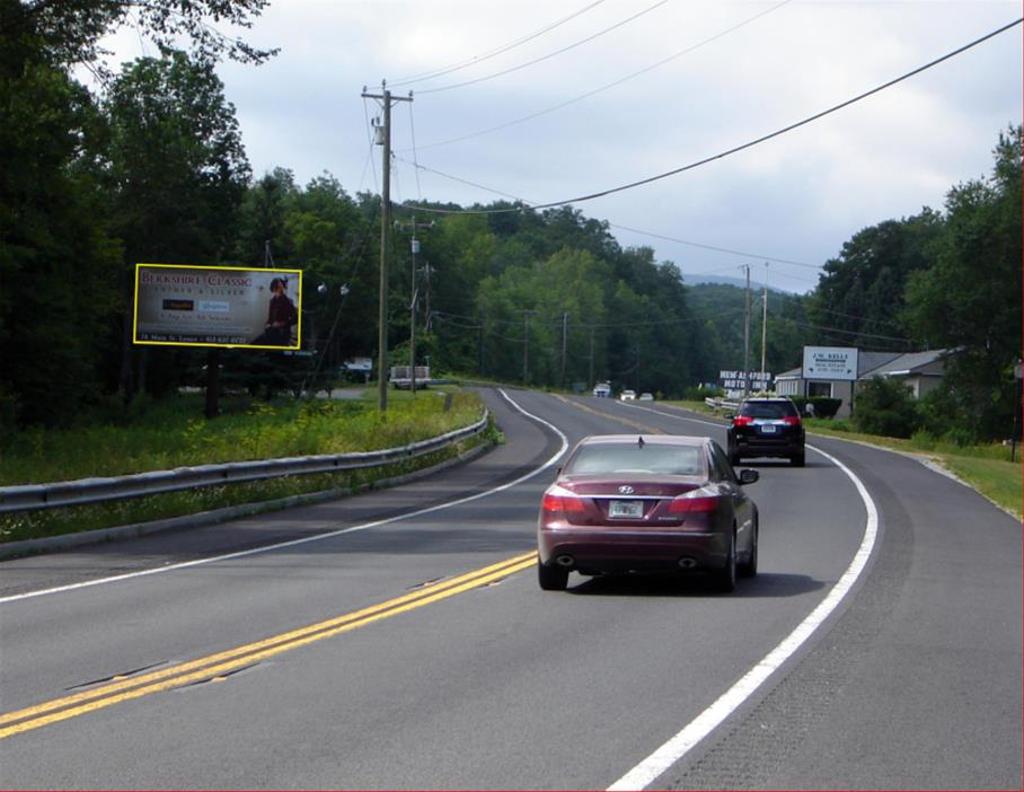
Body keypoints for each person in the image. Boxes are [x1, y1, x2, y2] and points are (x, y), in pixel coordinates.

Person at [251, 277, 297, 346]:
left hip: (282, 334)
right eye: (277, 287)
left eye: (281, 287)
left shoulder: (288, 301)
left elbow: (296, 318)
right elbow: (270, 318)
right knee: (254, 344)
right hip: (271, 332)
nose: (280, 289)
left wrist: (282, 324)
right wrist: (268, 324)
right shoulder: (272, 301)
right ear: (273, 288)